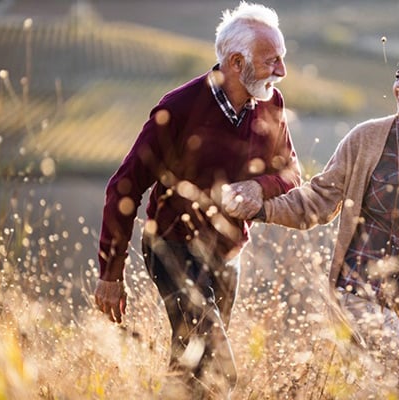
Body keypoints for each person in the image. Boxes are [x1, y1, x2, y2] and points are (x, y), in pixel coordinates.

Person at [225, 41, 399, 398]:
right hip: (361, 287)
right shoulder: (367, 138)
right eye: (398, 76)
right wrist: (262, 208)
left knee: (386, 391)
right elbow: (318, 198)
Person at [93, 2, 301, 398]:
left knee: (191, 364)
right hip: (172, 247)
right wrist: (110, 273)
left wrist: (261, 188)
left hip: (228, 253)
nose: (282, 71)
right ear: (237, 62)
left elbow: (291, 172)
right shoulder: (179, 108)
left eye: (282, 58)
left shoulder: (271, 104)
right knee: (218, 366)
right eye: (272, 60)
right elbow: (123, 186)